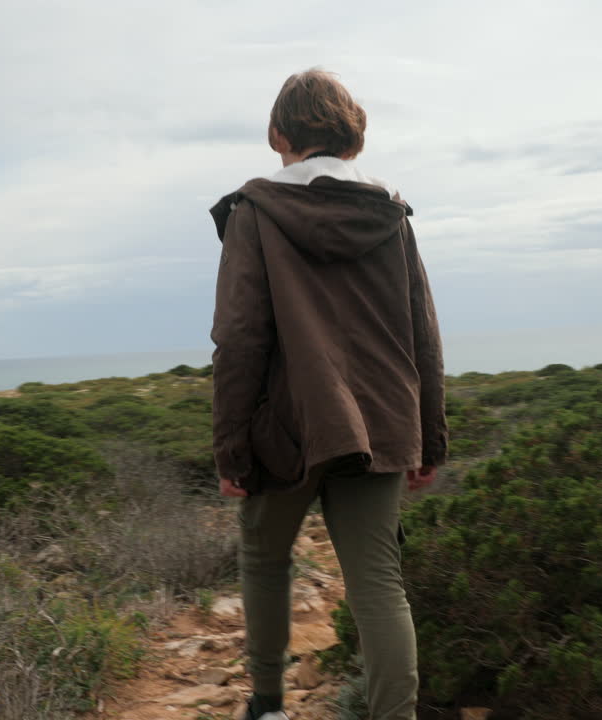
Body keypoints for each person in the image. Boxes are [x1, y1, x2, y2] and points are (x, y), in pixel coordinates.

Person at [209, 69, 447, 720]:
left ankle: (267, 707)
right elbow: (422, 334)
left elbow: (240, 340)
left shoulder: (254, 212)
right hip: (382, 421)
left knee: (264, 562)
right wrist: (430, 437)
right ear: (353, 138)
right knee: (379, 582)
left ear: (277, 134)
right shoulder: (391, 216)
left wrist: (232, 450)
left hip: (285, 425)